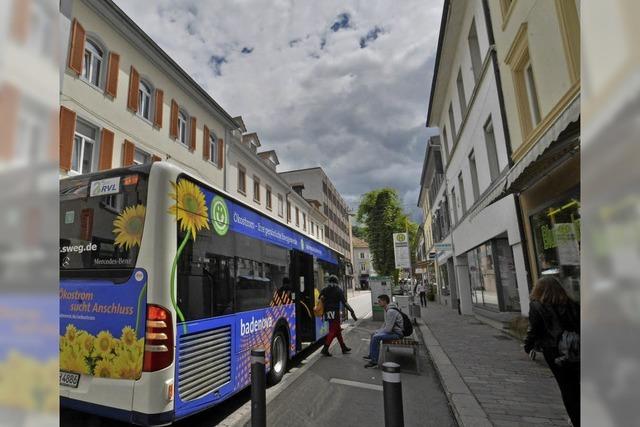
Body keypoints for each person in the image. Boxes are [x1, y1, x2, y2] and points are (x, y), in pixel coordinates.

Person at [524, 276, 580, 427]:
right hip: (577, 348)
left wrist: (528, 346)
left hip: (555, 351)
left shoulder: (537, 305)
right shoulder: (572, 303)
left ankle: (577, 419)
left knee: (567, 387)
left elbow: (533, 329)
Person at [319, 275, 358, 356]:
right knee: (333, 331)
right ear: (336, 282)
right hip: (335, 312)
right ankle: (325, 349)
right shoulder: (338, 290)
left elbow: (320, 299)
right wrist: (351, 311)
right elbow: (344, 303)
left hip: (327, 312)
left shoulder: (324, 289)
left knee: (337, 331)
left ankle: (343, 347)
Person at [363, 294, 403, 368]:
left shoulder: (390, 311)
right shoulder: (387, 309)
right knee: (374, 334)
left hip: (398, 334)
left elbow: (388, 329)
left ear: (384, 301)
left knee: (375, 337)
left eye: (379, 301)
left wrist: (378, 332)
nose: (378, 303)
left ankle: (374, 362)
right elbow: (385, 325)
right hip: (394, 331)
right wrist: (377, 331)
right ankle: (372, 355)